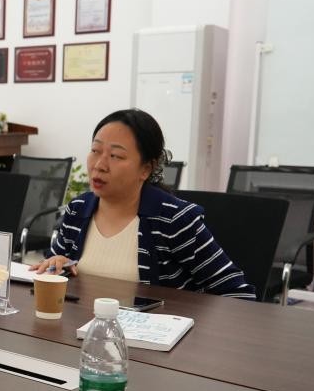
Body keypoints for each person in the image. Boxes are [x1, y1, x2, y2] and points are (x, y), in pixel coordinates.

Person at [33, 108, 255, 298]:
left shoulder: (174, 220)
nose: (99, 165)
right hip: (82, 329)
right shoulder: (78, 210)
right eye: (95, 151)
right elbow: (51, 271)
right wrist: (57, 264)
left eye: (116, 156)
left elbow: (237, 293)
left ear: (146, 169)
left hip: (151, 334)